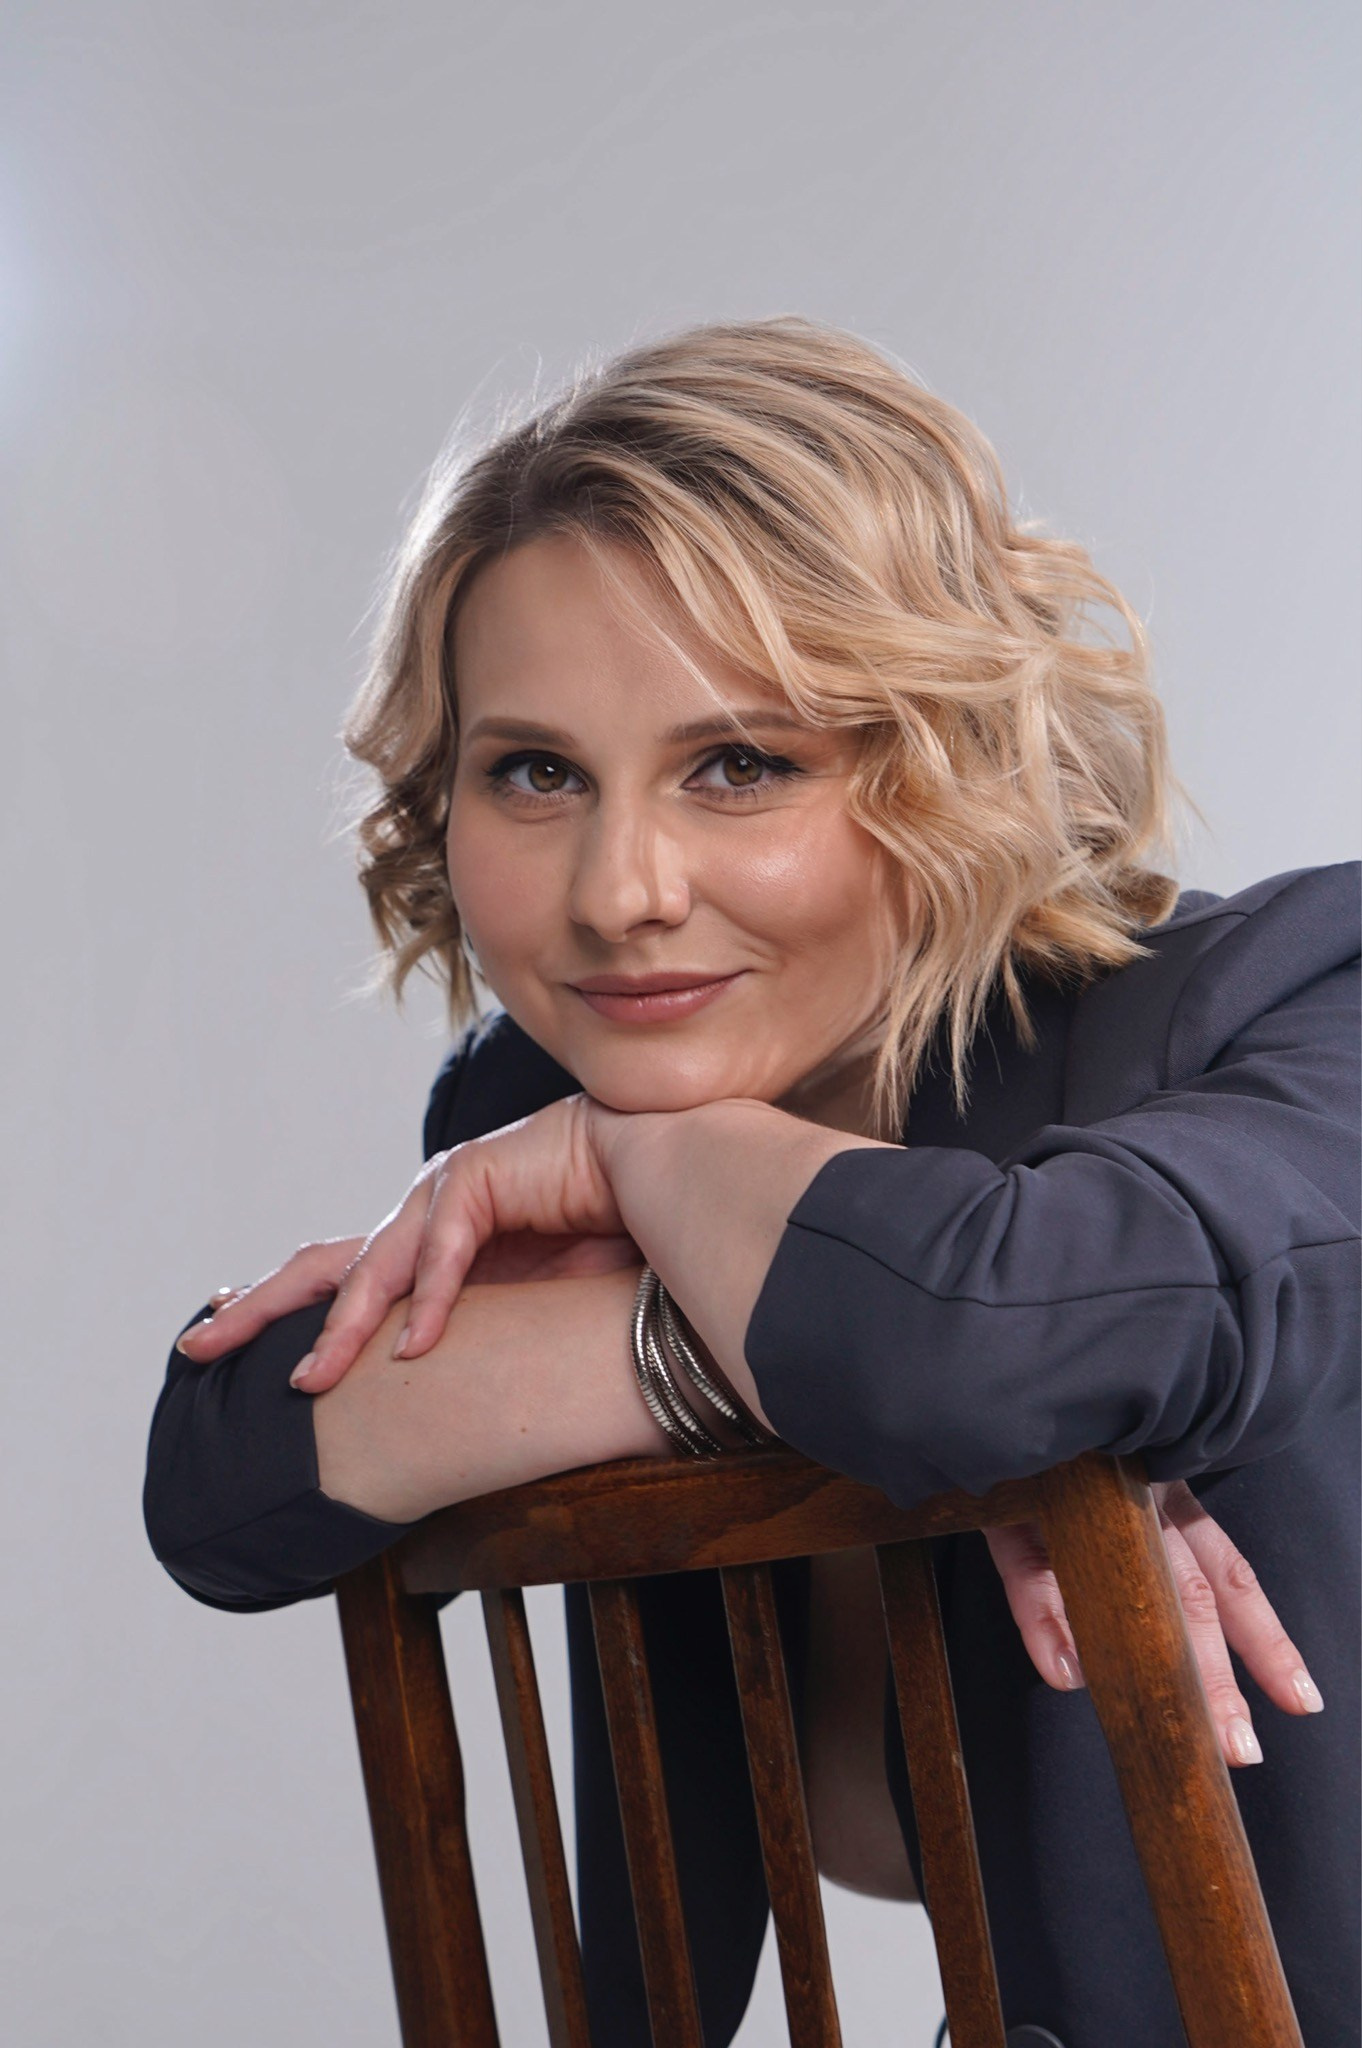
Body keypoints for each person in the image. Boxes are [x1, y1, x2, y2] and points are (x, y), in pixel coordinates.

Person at [143, 316, 1360, 2047]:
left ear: (951, 758)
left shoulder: (1301, 1007)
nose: (620, 892)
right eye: (536, 772)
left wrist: (645, 1167)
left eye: (740, 765)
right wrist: (724, 1339)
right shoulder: (527, 1101)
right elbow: (228, 1475)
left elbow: (986, 1337)